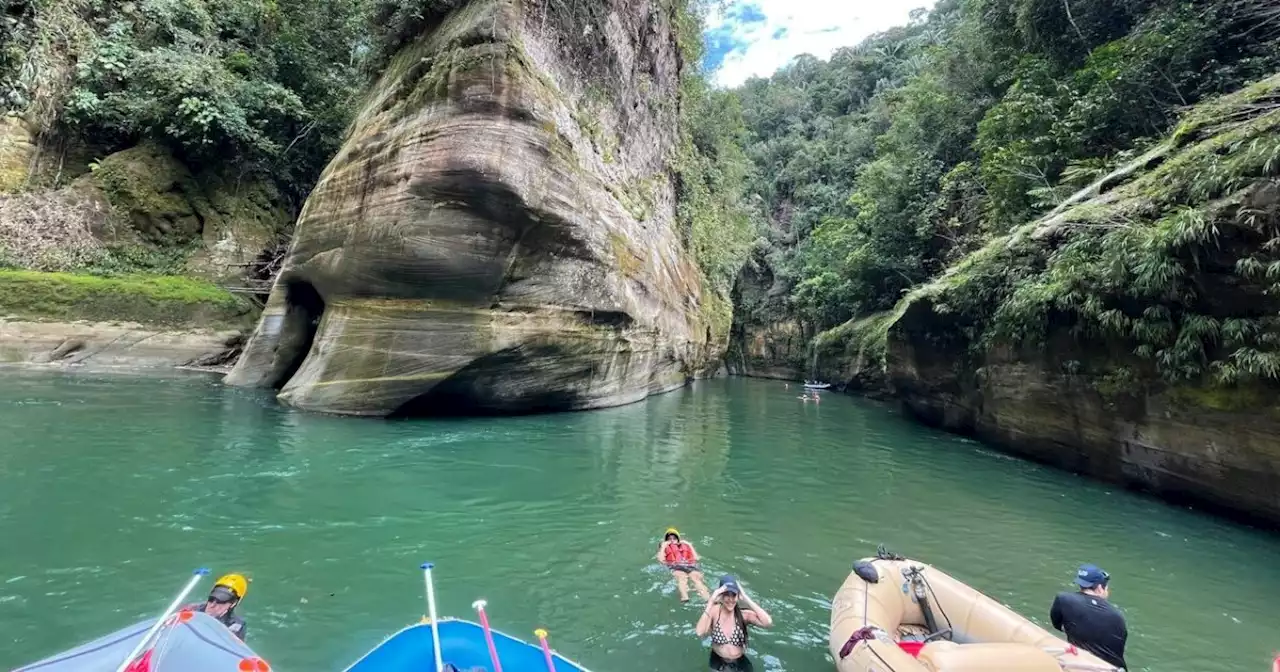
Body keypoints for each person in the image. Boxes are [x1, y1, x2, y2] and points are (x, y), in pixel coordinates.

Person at [1050, 563, 1127, 670]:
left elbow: (1057, 625)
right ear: (1100, 588)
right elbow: (1118, 647)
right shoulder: (1116, 615)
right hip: (1110, 667)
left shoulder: (1063, 599)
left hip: (1079, 660)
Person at [695, 575, 773, 672]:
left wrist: (745, 598)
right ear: (721, 595)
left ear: (738, 596)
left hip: (740, 662)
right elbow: (699, 632)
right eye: (727, 595)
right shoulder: (714, 612)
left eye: (734, 595)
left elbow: (767, 622)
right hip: (717, 661)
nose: (730, 599)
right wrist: (711, 601)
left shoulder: (743, 615)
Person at [188, 573, 250, 641]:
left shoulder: (236, 625)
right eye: (211, 599)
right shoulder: (192, 609)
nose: (212, 605)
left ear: (233, 604)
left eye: (220, 602)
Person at [657, 527, 710, 602]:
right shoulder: (664, 547)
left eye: (674, 538)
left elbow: (696, 558)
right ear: (666, 541)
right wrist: (663, 546)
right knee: (682, 577)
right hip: (676, 567)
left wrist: (690, 545)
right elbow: (661, 560)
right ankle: (684, 597)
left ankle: (707, 598)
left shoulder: (685, 546)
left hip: (690, 566)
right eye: (669, 539)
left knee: (696, 579)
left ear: (678, 539)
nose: (672, 540)